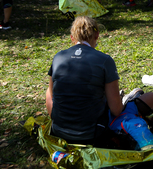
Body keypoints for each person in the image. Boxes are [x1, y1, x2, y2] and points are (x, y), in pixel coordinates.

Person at [46, 16, 147, 145]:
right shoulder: (105, 60)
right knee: (150, 98)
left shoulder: (58, 57)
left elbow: (52, 96)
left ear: (72, 37)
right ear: (97, 35)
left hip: (59, 133)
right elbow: (116, 110)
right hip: (91, 135)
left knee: (50, 90)